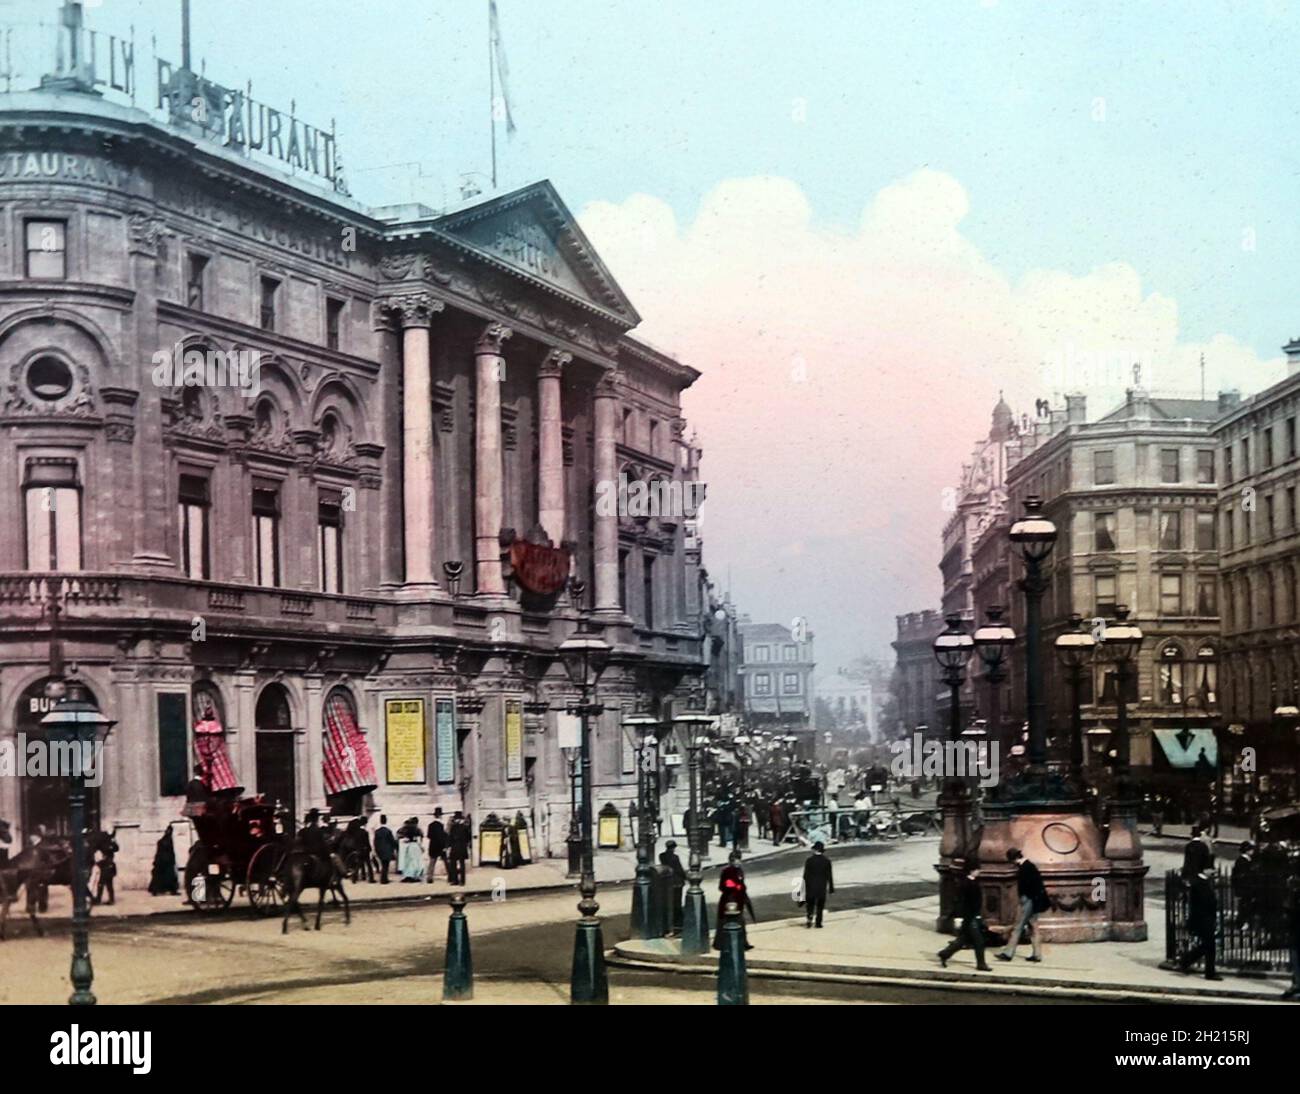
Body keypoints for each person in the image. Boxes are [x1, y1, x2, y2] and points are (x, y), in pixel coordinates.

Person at [997, 848, 1049, 962]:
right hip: (1035, 902)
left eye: (1012, 861)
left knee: (1018, 926)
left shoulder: (1025, 868)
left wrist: (1024, 901)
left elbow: (1027, 888)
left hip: (1028, 901)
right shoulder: (1030, 866)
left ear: (1015, 858)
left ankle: (1008, 953)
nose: (1013, 864)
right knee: (1033, 928)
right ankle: (1037, 954)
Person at [938, 862, 991, 970]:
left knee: (963, 940)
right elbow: (963, 902)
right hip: (970, 917)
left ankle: (945, 953)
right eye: (977, 870)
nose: (979, 871)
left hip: (971, 916)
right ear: (972, 871)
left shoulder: (972, 882)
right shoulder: (966, 884)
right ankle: (981, 964)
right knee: (979, 941)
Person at [1179, 867, 1222, 980]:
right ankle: (1209, 973)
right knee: (1210, 946)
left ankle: (1185, 961)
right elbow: (1205, 902)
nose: (1214, 872)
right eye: (1212, 869)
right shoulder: (1199, 884)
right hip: (1202, 920)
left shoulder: (1204, 882)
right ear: (1205, 870)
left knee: (1206, 946)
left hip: (1205, 919)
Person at [712, 850, 756, 950]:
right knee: (726, 922)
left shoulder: (739, 870)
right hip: (729, 900)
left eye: (739, 860)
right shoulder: (727, 871)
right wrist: (735, 886)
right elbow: (723, 886)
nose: (738, 862)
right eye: (736, 860)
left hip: (739, 899)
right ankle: (722, 943)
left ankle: (743, 943)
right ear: (731, 861)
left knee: (740, 922)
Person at [801, 841, 834, 928]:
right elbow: (829, 875)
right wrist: (831, 888)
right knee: (820, 905)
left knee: (810, 904)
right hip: (821, 886)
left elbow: (805, 875)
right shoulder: (827, 861)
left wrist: (802, 887)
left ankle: (809, 917)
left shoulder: (809, 861)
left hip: (810, 886)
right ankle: (818, 922)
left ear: (815, 850)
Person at [659, 839, 686, 934]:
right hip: (677, 881)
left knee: (669, 901)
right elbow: (679, 869)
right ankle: (678, 921)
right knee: (677, 902)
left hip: (667, 882)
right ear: (674, 847)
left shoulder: (662, 856)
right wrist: (685, 876)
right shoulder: (675, 857)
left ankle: (672, 921)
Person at [148, 825, 180, 896]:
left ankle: (157, 890)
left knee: (161, 877)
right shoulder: (167, 840)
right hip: (165, 861)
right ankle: (171, 890)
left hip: (162, 861)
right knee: (168, 876)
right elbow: (169, 851)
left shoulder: (163, 840)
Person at [91, 828, 119, 906]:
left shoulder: (108, 844)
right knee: (108, 883)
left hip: (107, 866)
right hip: (108, 865)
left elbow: (116, 849)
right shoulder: (108, 843)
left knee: (103, 883)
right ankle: (110, 899)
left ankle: (100, 900)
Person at [1231, 841, 1256, 923]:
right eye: (1251, 849)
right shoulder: (1242, 861)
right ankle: (1242, 922)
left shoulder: (1248, 860)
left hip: (1248, 888)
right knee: (1244, 905)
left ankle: (1246, 921)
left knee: (1248, 905)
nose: (1253, 851)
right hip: (1244, 888)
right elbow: (1240, 876)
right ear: (1247, 850)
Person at [396, 816, 424, 882]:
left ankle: (407, 875)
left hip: (407, 846)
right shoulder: (417, 829)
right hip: (415, 846)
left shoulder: (405, 828)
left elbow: (399, 834)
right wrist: (421, 847)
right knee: (415, 862)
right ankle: (414, 876)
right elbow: (420, 838)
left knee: (407, 862)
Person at [425, 808, 449, 883]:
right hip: (441, 846)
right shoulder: (441, 825)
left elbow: (429, 836)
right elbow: (443, 837)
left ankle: (429, 877)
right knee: (446, 862)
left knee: (432, 862)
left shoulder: (430, 825)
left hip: (433, 846)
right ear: (440, 816)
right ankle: (451, 876)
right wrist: (445, 846)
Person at [448, 811, 471, 886]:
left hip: (455, 847)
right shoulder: (465, 827)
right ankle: (462, 881)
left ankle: (455, 880)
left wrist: (448, 846)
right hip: (462, 847)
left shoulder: (453, 827)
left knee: (454, 864)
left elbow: (449, 837)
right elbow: (468, 837)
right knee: (462, 865)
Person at [373, 814, 398, 884]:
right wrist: (395, 847)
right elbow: (392, 841)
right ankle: (384, 879)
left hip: (380, 850)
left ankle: (384, 878)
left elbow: (375, 842)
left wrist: (376, 850)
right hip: (387, 850)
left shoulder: (377, 831)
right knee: (385, 866)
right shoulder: (388, 831)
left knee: (383, 864)